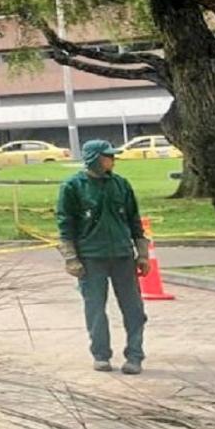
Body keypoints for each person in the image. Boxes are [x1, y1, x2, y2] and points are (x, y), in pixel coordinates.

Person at [56, 139, 150, 375]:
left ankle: (135, 355)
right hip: (90, 258)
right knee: (95, 308)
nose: (112, 160)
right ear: (94, 158)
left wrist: (143, 254)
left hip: (122, 256)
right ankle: (101, 355)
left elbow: (134, 220)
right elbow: (65, 224)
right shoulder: (73, 187)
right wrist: (71, 258)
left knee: (134, 309)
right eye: (107, 156)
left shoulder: (121, 185)